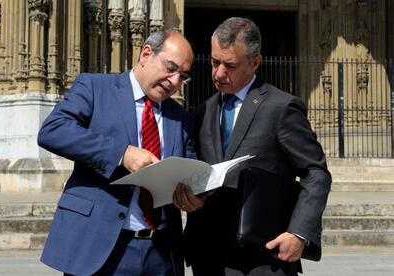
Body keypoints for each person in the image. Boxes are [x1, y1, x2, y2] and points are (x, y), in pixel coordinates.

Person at [173, 17, 332, 276]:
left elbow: (316, 173)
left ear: (255, 63)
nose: (218, 73)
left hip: (262, 259)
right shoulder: (203, 111)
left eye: (230, 65)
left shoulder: (281, 108)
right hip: (208, 257)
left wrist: (298, 234)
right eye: (215, 62)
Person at [38, 29, 193, 275]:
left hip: (161, 255)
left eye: (182, 76)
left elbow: (188, 164)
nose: (174, 81)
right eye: (170, 68)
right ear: (146, 54)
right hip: (100, 249)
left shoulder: (180, 116)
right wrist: (122, 153)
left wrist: (196, 192)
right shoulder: (95, 87)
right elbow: (53, 130)